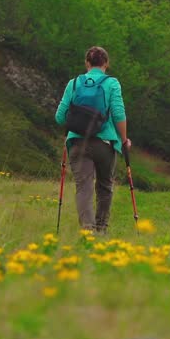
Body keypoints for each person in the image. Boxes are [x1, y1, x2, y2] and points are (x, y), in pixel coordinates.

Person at [54, 46, 130, 234]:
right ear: (106, 63)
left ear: (87, 63)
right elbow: (119, 113)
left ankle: (87, 231)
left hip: (78, 144)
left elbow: (60, 117)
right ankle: (101, 229)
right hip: (105, 142)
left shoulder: (73, 84)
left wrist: (76, 122)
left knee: (84, 187)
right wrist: (124, 139)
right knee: (105, 185)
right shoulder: (112, 83)